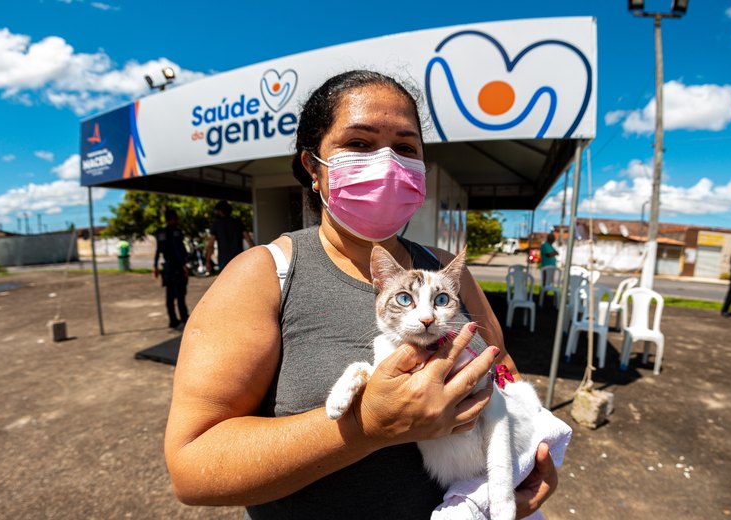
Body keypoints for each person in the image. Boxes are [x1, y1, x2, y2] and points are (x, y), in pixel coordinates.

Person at [164, 70, 558, 519]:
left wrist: (528, 452)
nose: (387, 161)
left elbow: (502, 365)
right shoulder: (261, 274)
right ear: (313, 166)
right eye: (359, 143)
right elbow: (192, 468)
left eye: (406, 148)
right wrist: (367, 426)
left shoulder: (446, 267)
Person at [153, 209, 189, 328]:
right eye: (176, 218)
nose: (177, 220)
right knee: (180, 296)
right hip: (177, 267)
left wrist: (155, 266)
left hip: (167, 268)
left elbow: (158, 250)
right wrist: (184, 265)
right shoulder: (175, 232)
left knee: (169, 296)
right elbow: (177, 249)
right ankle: (184, 319)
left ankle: (173, 321)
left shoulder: (160, 233)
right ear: (172, 219)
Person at [204, 200, 255, 273]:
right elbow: (249, 240)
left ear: (220, 211)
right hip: (239, 258)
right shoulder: (238, 222)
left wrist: (208, 261)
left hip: (224, 260)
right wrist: (255, 255)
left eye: (217, 211)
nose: (216, 213)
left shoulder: (216, 225)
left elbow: (210, 245)